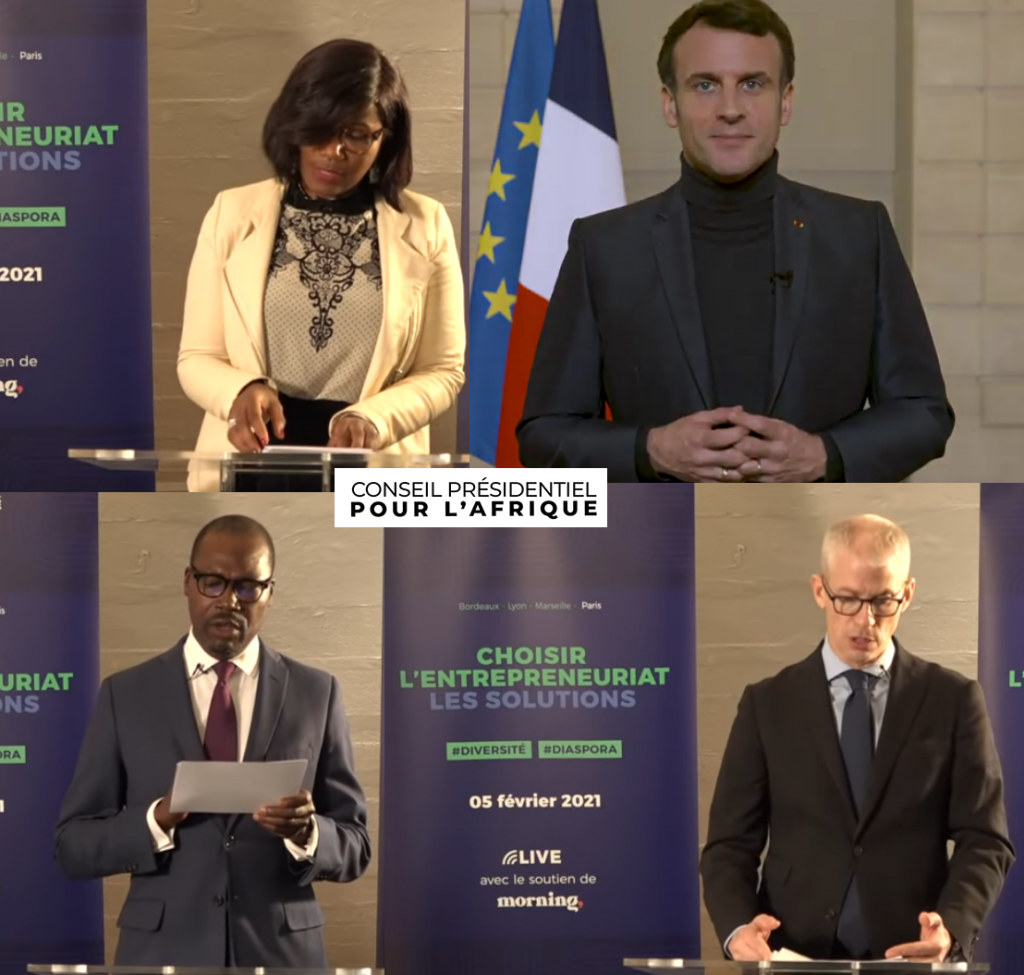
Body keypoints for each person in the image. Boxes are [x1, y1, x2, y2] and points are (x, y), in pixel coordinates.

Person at [516, 0, 953, 483]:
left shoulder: (859, 233)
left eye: (752, 84)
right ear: (670, 103)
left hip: (820, 543)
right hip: (658, 544)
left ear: (785, 102)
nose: (729, 109)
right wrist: (651, 450)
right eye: (704, 85)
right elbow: (544, 433)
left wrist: (825, 455)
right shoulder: (604, 247)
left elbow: (923, 412)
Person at [54, 515, 371, 966]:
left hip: (281, 956)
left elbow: (356, 846)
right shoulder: (125, 695)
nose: (229, 602)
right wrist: (156, 820)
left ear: (270, 592)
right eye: (213, 583)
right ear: (188, 582)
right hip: (163, 954)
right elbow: (73, 846)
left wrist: (309, 833)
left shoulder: (317, 693)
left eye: (247, 587)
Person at [701, 515, 1013, 961]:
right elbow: (729, 844)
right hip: (790, 954)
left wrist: (953, 926)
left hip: (910, 956)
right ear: (819, 591)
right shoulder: (767, 704)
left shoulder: (954, 700)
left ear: (907, 594)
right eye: (846, 599)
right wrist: (736, 931)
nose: (865, 620)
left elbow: (986, 838)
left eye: (883, 601)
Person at [178, 40, 465, 491]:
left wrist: (373, 418)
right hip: (248, 462)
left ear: (384, 138)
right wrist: (240, 391)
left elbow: (443, 370)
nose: (336, 150)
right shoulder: (231, 214)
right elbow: (197, 357)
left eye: (356, 134)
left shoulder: (426, 224)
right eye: (322, 129)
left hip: (374, 467)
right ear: (294, 125)